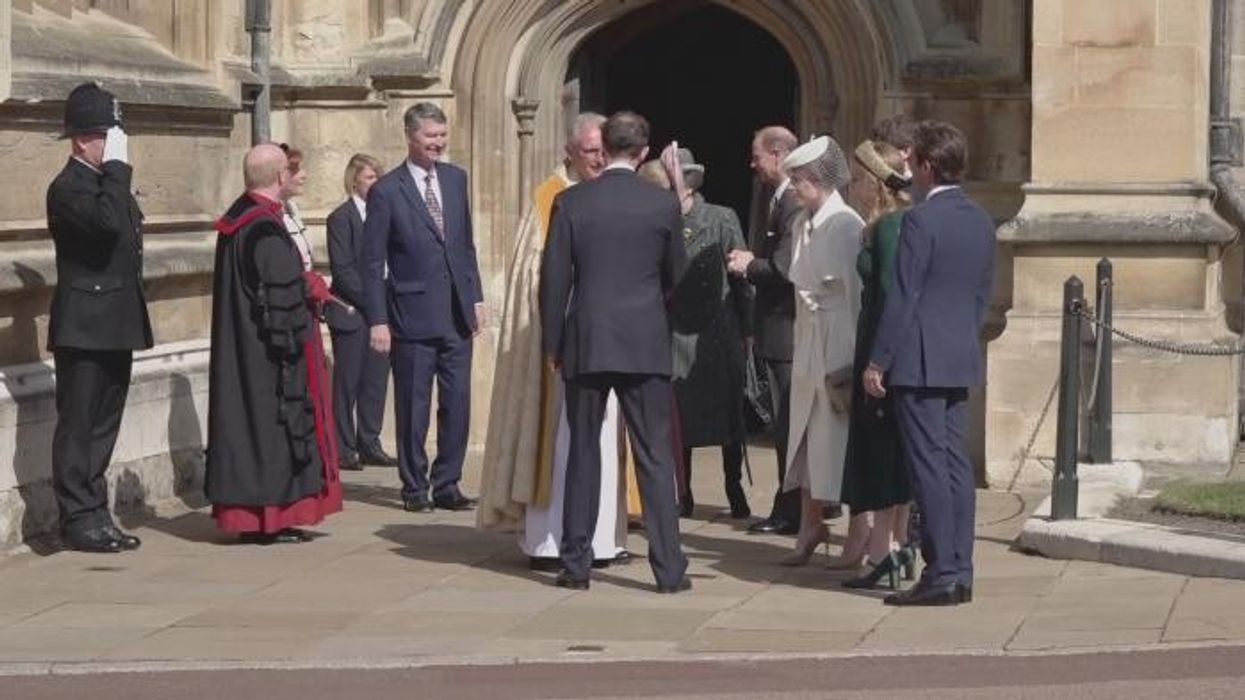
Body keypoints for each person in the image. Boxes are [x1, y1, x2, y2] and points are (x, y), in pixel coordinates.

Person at [540, 111, 691, 593]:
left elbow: (554, 281)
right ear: (643, 151)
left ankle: (576, 564)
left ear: (603, 147)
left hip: (587, 336)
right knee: (654, 455)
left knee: (583, 450)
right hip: (644, 339)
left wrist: (553, 343)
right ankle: (669, 570)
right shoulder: (662, 204)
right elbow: (676, 277)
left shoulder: (572, 201)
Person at [477, 113, 634, 571]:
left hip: (606, 341)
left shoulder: (610, 194)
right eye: (590, 152)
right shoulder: (550, 199)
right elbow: (534, 276)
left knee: (604, 441)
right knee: (562, 443)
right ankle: (550, 542)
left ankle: (602, 539)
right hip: (563, 346)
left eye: (604, 151)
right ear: (569, 151)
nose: (600, 160)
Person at [863, 120, 996, 606]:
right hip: (958, 353)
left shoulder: (921, 220)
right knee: (954, 464)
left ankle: (941, 571)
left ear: (924, 165)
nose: (907, 168)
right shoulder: (980, 219)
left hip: (918, 360)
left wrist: (879, 359)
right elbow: (982, 295)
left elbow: (904, 296)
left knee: (929, 471)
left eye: (911, 161)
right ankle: (960, 569)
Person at [206, 143, 342, 544]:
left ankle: (264, 522)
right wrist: (309, 292)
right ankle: (267, 520)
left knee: (250, 429)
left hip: (243, 350)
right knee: (270, 430)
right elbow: (280, 299)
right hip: (269, 358)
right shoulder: (263, 228)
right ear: (280, 177)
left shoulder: (241, 219)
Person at [362, 102, 484, 513]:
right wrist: (377, 318)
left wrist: (476, 297)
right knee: (414, 406)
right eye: (430, 136)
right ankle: (414, 487)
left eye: (442, 135)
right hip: (411, 316)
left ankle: (447, 483)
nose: (438, 143)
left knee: (458, 403)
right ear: (411, 137)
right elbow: (372, 261)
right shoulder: (387, 190)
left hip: (457, 314)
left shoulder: (455, 179)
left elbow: (465, 245)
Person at [46, 82, 152, 553]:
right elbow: (108, 225)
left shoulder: (107, 183)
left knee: (104, 424)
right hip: (84, 324)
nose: (115, 146)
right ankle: (77, 517)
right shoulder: (69, 188)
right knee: (80, 425)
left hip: (115, 319)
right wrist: (117, 169)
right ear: (82, 139)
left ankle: (96, 511)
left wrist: (114, 173)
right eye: (108, 136)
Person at [775, 135, 863, 566]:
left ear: (817, 179)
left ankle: (859, 534)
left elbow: (855, 296)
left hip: (838, 339)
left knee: (843, 439)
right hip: (809, 340)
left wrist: (851, 359)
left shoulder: (846, 225)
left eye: (798, 179)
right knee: (807, 435)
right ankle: (811, 523)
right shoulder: (800, 224)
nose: (792, 187)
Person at [655, 146, 752, 520]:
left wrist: (747, 326)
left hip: (717, 329)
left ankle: (734, 487)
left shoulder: (721, 217)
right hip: (676, 331)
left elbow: (741, 276)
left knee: (729, 416)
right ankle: (685, 492)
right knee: (683, 417)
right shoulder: (663, 219)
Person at [840, 139, 916, 589]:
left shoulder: (889, 228)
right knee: (891, 451)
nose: (852, 187)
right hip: (880, 349)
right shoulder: (889, 225)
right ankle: (898, 547)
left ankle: (882, 551)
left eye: (857, 179)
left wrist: (878, 362)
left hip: (880, 352)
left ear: (874, 181)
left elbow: (891, 296)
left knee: (883, 452)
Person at [726, 126, 801, 536]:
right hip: (775, 330)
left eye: (757, 155)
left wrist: (748, 265)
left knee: (787, 425)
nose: (752, 163)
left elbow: (787, 268)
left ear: (777, 154)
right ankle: (795, 504)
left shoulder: (790, 201)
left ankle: (791, 509)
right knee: (785, 424)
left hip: (785, 332)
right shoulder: (775, 198)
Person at [326, 153, 396, 470]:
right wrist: (375, 303)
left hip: (381, 313)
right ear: (355, 180)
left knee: (376, 381)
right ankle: (343, 448)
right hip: (353, 313)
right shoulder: (341, 218)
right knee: (348, 382)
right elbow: (343, 271)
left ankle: (370, 442)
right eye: (370, 177)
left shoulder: (386, 215)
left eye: (379, 176)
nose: (376, 182)